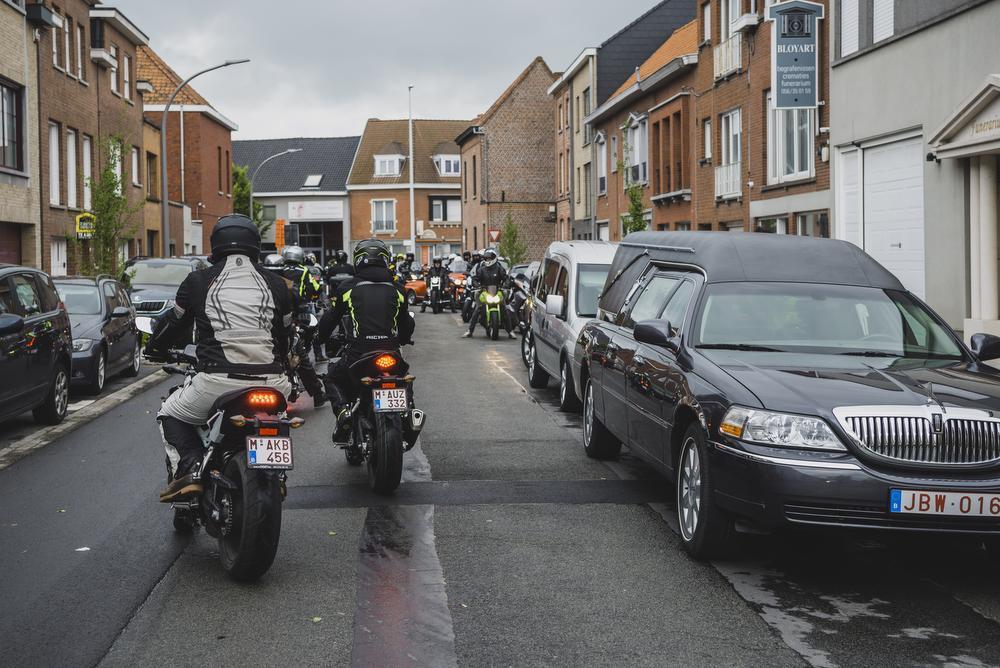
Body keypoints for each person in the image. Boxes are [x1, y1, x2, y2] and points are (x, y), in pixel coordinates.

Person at [145, 214, 293, 502]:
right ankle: (277, 475)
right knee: (279, 420)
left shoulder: (198, 281)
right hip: (273, 382)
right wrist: (286, 366)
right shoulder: (278, 285)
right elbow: (284, 335)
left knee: (170, 413)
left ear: (216, 245)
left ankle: (188, 468)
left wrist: (155, 347)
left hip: (217, 380)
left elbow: (175, 323)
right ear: (255, 245)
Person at [317, 238, 415, 443]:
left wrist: (320, 337)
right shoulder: (398, 288)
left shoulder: (348, 287)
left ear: (358, 260)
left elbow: (330, 318)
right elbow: (406, 322)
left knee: (332, 377)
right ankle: (409, 414)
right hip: (391, 352)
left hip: (359, 353)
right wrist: (404, 338)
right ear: (385, 260)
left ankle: (344, 411)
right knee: (403, 377)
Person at [279, 245, 326, 406]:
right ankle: (318, 394)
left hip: (272, 318)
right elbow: (314, 288)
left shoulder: (278, 271)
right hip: (297, 311)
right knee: (301, 354)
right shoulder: (304, 270)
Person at [463, 248, 513, 339]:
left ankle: (510, 331)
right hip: (484, 291)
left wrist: (506, 285)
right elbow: (475, 279)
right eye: (486, 259)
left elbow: (506, 278)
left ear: (493, 258)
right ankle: (470, 331)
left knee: (504, 308)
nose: (487, 260)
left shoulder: (499, 268)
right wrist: (477, 285)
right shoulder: (482, 270)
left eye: (489, 259)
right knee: (477, 308)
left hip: (497, 291)